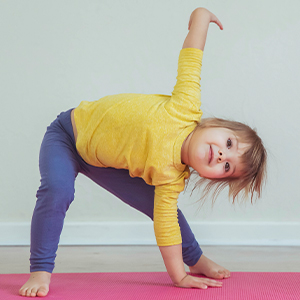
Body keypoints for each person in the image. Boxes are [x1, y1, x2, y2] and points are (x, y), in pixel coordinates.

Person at [19, 7, 267, 297]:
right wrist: (201, 17)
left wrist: (179, 277)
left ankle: (195, 260)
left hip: (103, 162)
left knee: (166, 212)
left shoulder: (170, 180)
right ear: (213, 125)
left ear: (209, 176)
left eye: (227, 167)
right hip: (66, 135)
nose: (224, 157)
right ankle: (40, 270)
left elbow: (166, 229)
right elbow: (192, 58)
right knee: (58, 191)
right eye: (229, 144)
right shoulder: (185, 107)